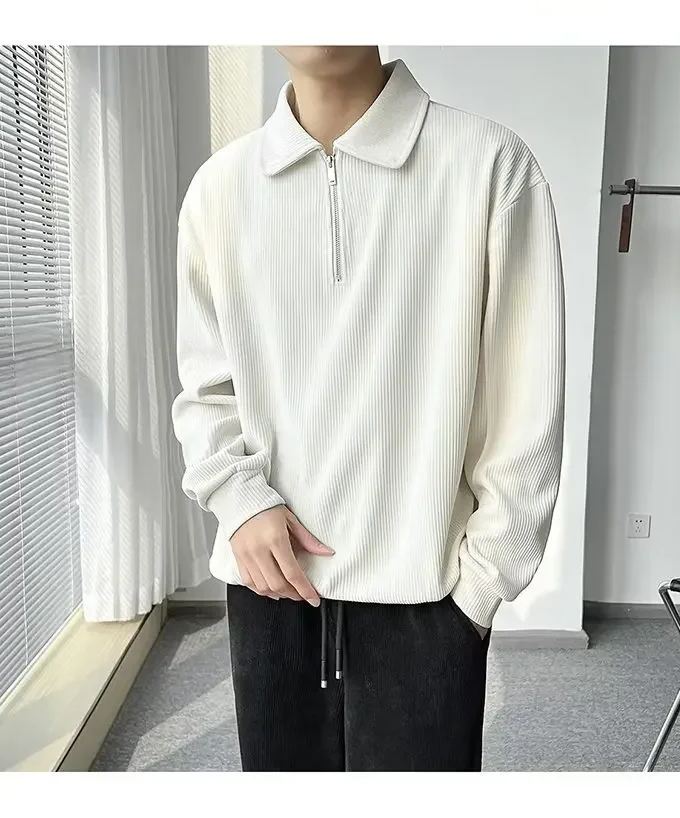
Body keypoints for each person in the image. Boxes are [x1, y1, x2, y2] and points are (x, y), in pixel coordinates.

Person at [171, 45, 565, 772]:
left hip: (430, 597)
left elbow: (525, 401)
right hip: (268, 584)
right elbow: (206, 386)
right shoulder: (219, 188)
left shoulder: (489, 165)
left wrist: (480, 590)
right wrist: (240, 501)